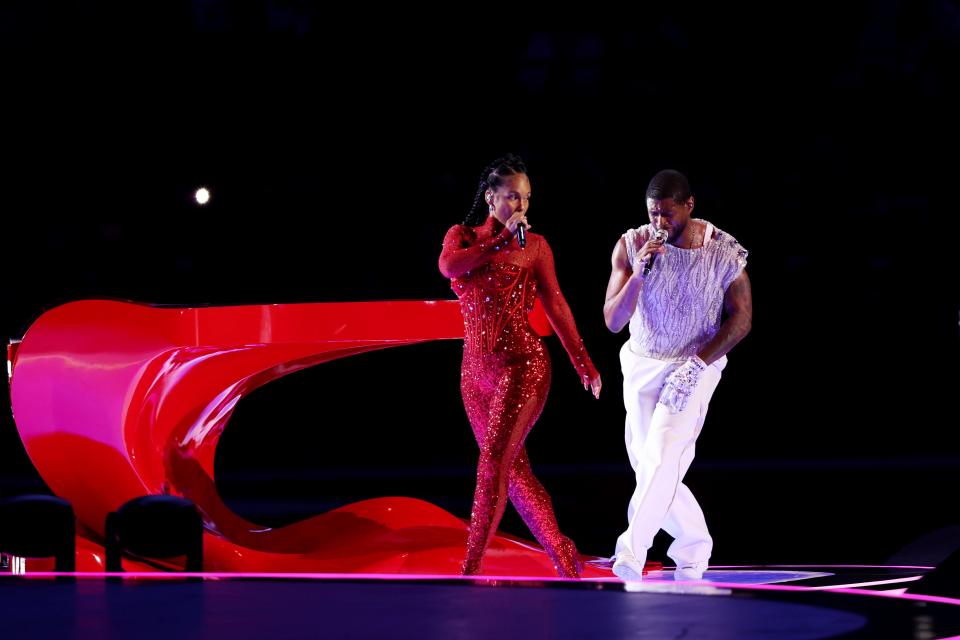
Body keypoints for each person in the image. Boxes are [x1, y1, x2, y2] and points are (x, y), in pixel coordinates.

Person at [439, 153, 602, 578]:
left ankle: (470, 565)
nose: (522, 207)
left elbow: (558, 305)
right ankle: (565, 556)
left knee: (494, 461)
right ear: (492, 198)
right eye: (513, 197)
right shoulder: (461, 236)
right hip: (473, 375)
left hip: (523, 366)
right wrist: (496, 241)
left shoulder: (537, 247)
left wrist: (582, 362)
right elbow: (449, 267)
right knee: (512, 471)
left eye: (526, 199)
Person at [602, 169, 752, 581]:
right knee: (650, 466)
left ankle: (630, 553)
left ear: (689, 206)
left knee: (664, 452)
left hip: (693, 365)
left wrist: (699, 364)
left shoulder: (721, 250)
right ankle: (694, 547)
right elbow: (613, 321)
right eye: (653, 214)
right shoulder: (632, 245)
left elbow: (742, 320)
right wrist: (638, 273)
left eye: (668, 215)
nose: (660, 224)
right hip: (642, 361)